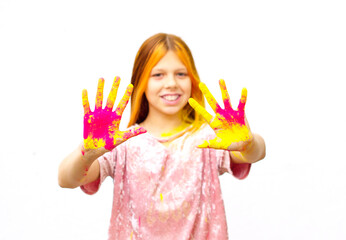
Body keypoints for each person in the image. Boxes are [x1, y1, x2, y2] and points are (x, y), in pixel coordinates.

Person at [58, 33, 266, 240]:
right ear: (141, 82)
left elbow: (254, 154)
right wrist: (86, 153)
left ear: (193, 80)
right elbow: (66, 179)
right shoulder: (122, 142)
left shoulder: (208, 139)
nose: (171, 83)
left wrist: (249, 143)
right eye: (158, 75)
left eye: (181, 74)